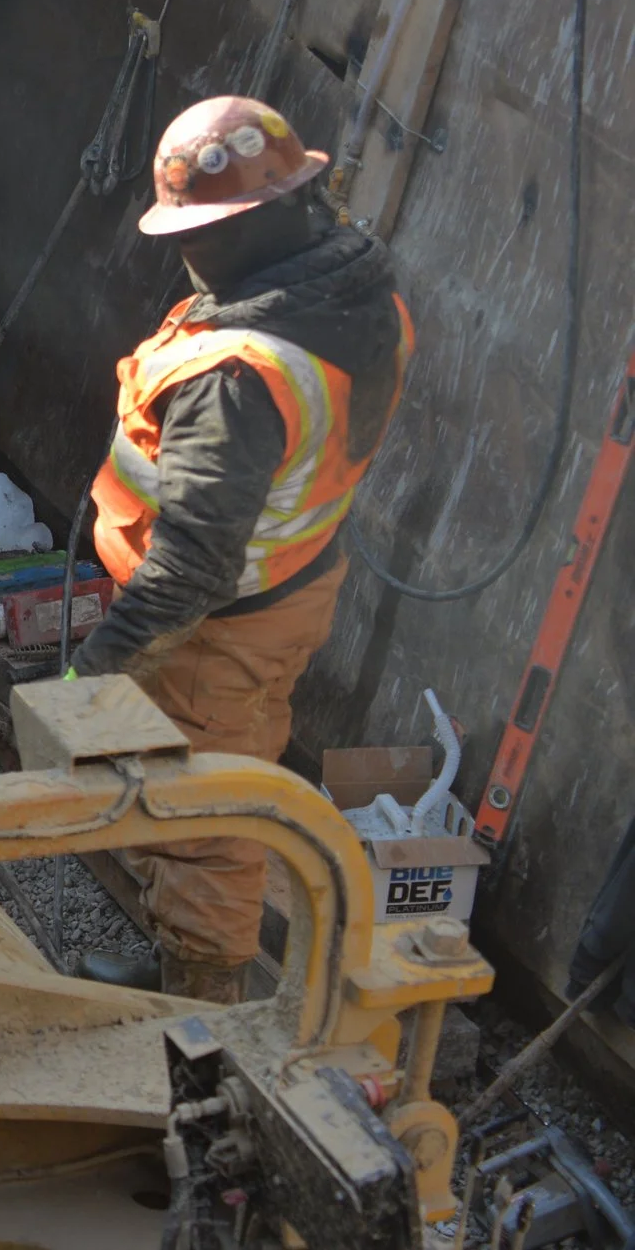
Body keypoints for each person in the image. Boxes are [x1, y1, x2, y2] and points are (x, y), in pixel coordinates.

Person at [71, 96, 412, 1003]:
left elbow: (190, 566)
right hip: (293, 579)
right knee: (223, 776)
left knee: (203, 817)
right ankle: (187, 967)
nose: (188, 251)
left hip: (219, 626)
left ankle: (199, 1012)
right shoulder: (354, 297)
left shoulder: (241, 377)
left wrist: (89, 676)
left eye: (198, 231)